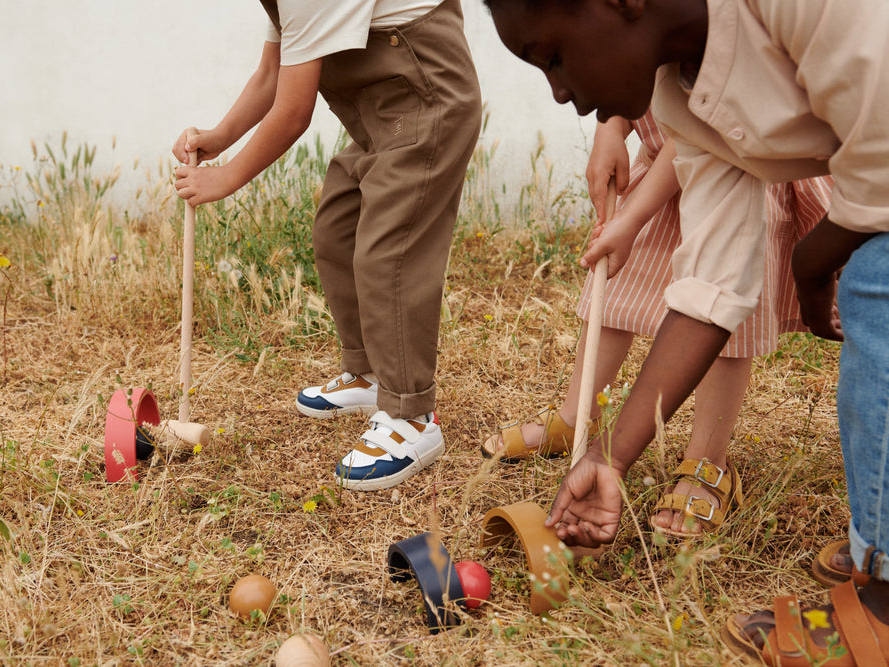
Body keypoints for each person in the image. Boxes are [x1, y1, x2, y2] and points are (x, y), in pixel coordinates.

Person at [482, 0, 889, 662]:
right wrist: (607, 458)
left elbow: (883, 170)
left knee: (878, 281)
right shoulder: (684, 98)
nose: (558, 92)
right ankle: (882, 539)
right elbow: (711, 289)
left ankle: (885, 608)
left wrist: (812, 269)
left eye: (553, 57)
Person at [173, 0, 481, 491]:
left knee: (388, 253)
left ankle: (412, 416)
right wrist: (221, 136)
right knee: (337, 231)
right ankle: (369, 374)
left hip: (426, 104)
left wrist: (226, 177)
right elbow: (270, 74)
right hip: (382, 119)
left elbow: (294, 112)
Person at [482, 109, 832, 537]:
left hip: (732, 170)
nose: (562, 96)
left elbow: (696, 133)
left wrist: (632, 217)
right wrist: (610, 127)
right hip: (662, 164)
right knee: (617, 283)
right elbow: (626, 74)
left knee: (720, 313)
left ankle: (708, 460)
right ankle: (576, 419)